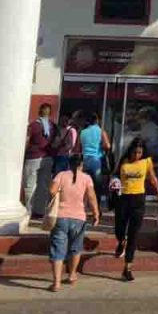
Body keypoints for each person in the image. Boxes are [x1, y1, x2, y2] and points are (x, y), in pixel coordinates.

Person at [112, 137, 158, 281]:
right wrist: (114, 183)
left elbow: (152, 178)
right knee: (119, 228)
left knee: (134, 234)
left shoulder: (146, 161)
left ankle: (128, 267)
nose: (137, 156)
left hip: (138, 199)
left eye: (139, 153)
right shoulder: (123, 161)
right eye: (135, 152)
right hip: (123, 198)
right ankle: (121, 240)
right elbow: (115, 175)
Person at [47, 153, 99, 292]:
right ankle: (72, 275)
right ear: (81, 165)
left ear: (69, 164)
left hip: (61, 217)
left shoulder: (61, 175)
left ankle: (56, 283)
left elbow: (52, 191)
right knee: (76, 248)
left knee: (58, 249)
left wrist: (59, 193)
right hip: (79, 218)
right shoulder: (87, 178)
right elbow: (92, 196)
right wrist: (96, 213)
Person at [23, 103, 57, 218]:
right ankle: (40, 211)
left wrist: (22, 154)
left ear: (39, 111)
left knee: (30, 185)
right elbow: (57, 141)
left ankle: (28, 210)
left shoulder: (33, 125)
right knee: (44, 186)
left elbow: (27, 141)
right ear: (50, 112)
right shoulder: (53, 126)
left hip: (33, 157)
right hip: (47, 158)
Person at [80, 112, 111, 210]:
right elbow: (107, 146)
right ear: (97, 120)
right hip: (96, 160)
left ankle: (82, 206)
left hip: (85, 160)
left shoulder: (83, 132)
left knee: (84, 184)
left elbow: (78, 146)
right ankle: (96, 208)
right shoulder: (101, 131)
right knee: (97, 186)